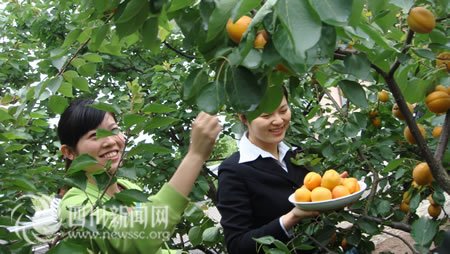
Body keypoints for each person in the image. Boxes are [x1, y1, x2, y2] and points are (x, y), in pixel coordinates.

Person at [57, 98, 222, 253]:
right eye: (95, 135)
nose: (110, 141)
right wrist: (195, 156)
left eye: (113, 130)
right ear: (69, 152)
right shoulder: (72, 207)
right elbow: (138, 239)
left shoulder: (128, 187)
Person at [216, 87, 319, 254]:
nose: (278, 120)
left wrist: (336, 196)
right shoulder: (234, 171)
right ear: (243, 117)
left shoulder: (297, 154)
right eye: (266, 115)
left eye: (283, 110)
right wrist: (292, 217)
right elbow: (237, 246)